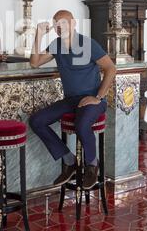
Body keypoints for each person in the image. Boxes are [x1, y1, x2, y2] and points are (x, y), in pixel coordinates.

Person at [29, 10, 116, 189]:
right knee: (36, 121)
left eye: (64, 23)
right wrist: (38, 34)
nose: (61, 28)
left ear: (74, 23)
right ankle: (70, 162)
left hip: (93, 99)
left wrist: (97, 97)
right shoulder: (56, 45)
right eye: (57, 25)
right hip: (71, 100)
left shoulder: (88, 44)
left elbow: (110, 68)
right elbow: (35, 62)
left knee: (82, 124)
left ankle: (92, 165)